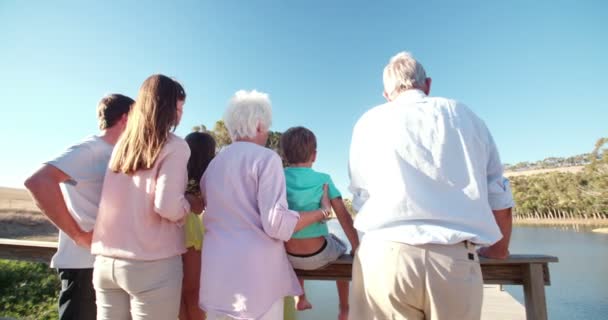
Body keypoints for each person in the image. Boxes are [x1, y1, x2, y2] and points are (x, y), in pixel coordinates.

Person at [347, 52, 514, 320]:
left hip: (385, 257)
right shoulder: (464, 115)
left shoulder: (368, 122)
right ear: (428, 84)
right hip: (455, 262)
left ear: (387, 95)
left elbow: (360, 195)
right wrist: (499, 248)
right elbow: (498, 194)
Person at [199, 90, 331, 320]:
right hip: (255, 281)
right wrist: (321, 212)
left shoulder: (213, 166)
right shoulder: (266, 159)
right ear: (259, 125)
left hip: (216, 278)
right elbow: (276, 224)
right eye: (267, 127)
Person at [91, 75, 202, 320]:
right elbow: (167, 206)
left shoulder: (122, 145)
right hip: (151, 264)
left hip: (106, 262)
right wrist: (189, 204)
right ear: (165, 107)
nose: (181, 114)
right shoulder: (175, 145)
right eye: (179, 107)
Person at [24, 93, 134, 320]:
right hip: (83, 267)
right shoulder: (90, 148)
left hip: (106, 265)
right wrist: (78, 235)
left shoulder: (115, 153)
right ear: (126, 118)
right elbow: (38, 182)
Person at [280, 126, 359, 320]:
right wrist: (356, 246)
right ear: (314, 155)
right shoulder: (323, 179)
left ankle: (301, 297)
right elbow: (343, 216)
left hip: (288, 255)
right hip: (319, 253)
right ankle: (344, 308)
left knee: (292, 236)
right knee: (340, 246)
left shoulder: (278, 176)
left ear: (284, 153)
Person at [180, 131, 216, 320]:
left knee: (179, 291)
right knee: (194, 291)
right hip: (192, 231)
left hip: (171, 229)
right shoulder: (206, 176)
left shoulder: (177, 172)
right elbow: (199, 206)